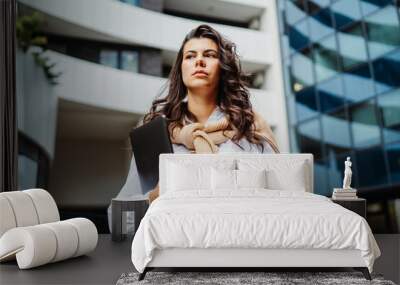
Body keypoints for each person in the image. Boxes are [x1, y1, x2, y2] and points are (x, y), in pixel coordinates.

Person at [108, 24, 279, 232]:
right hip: (174, 251)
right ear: (181, 69)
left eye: (209, 55)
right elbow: (117, 219)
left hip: (240, 243)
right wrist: (154, 197)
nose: (199, 60)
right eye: (190, 56)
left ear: (223, 67)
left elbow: (280, 200)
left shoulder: (249, 127)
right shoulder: (155, 136)